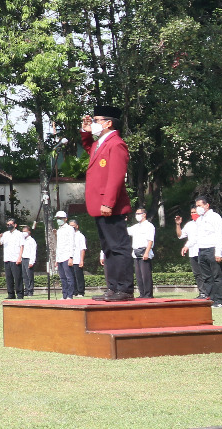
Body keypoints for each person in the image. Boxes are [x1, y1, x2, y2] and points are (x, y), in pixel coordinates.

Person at [81, 107, 135, 302]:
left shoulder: (117, 144)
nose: (93, 123)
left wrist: (109, 202)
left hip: (110, 206)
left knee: (119, 247)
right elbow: (90, 149)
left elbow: (116, 176)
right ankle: (113, 287)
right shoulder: (99, 144)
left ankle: (125, 288)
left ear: (108, 123)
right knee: (109, 248)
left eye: (96, 120)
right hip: (99, 206)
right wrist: (85, 132)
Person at [193, 196, 222, 308]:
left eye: (199, 206)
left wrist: (218, 252)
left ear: (207, 205)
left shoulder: (215, 217)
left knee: (217, 276)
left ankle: (220, 300)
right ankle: (211, 298)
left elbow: (220, 235)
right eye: (196, 206)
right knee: (206, 277)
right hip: (202, 250)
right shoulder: (199, 219)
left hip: (212, 249)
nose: (198, 208)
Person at [175, 212, 206, 298]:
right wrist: (178, 225)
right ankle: (202, 292)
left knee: (205, 273)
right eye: (192, 212)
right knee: (197, 273)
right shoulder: (189, 224)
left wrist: (187, 246)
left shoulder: (203, 223)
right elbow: (180, 235)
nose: (193, 214)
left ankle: (209, 292)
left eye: (195, 212)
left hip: (202, 251)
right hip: (193, 252)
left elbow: (197, 237)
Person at [128, 207, 156, 299]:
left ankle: (148, 294)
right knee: (139, 275)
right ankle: (142, 293)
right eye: (136, 214)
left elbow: (150, 240)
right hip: (136, 252)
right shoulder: (135, 227)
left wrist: (147, 253)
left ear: (144, 214)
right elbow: (125, 231)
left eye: (139, 214)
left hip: (144, 251)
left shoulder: (149, 226)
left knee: (146, 275)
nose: (137, 216)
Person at [0, 217, 24, 300]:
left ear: (15, 225)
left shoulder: (19, 234)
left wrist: (19, 258)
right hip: (7, 258)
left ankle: (20, 294)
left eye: (11, 224)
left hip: (15, 258)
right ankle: (11, 294)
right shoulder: (5, 234)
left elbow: (22, 246)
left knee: (18, 277)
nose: (9, 226)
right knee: (9, 277)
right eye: (8, 225)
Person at [54, 212, 76, 300]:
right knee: (62, 277)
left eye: (60, 218)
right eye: (57, 218)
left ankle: (70, 295)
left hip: (67, 255)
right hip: (60, 257)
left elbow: (72, 243)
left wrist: (71, 257)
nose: (59, 220)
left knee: (69, 277)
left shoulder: (69, 229)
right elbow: (58, 245)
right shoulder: (59, 230)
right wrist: (56, 259)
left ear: (65, 219)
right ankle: (64, 295)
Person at [69, 219, 87, 298]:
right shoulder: (69, 236)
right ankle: (74, 291)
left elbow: (82, 249)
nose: (72, 227)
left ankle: (81, 292)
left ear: (77, 226)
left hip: (77, 259)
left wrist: (81, 260)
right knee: (71, 276)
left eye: (73, 226)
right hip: (70, 260)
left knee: (79, 276)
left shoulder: (80, 236)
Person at [20, 225, 38, 296]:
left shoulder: (31, 240)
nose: (23, 233)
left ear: (29, 232)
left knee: (29, 275)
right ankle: (27, 289)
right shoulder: (22, 240)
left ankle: (31, 290)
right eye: (23, 231)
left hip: (29, 259)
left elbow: (33, 252)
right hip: (23, 258)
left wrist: (31, 262)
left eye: (25, 231)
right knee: (25, 275)